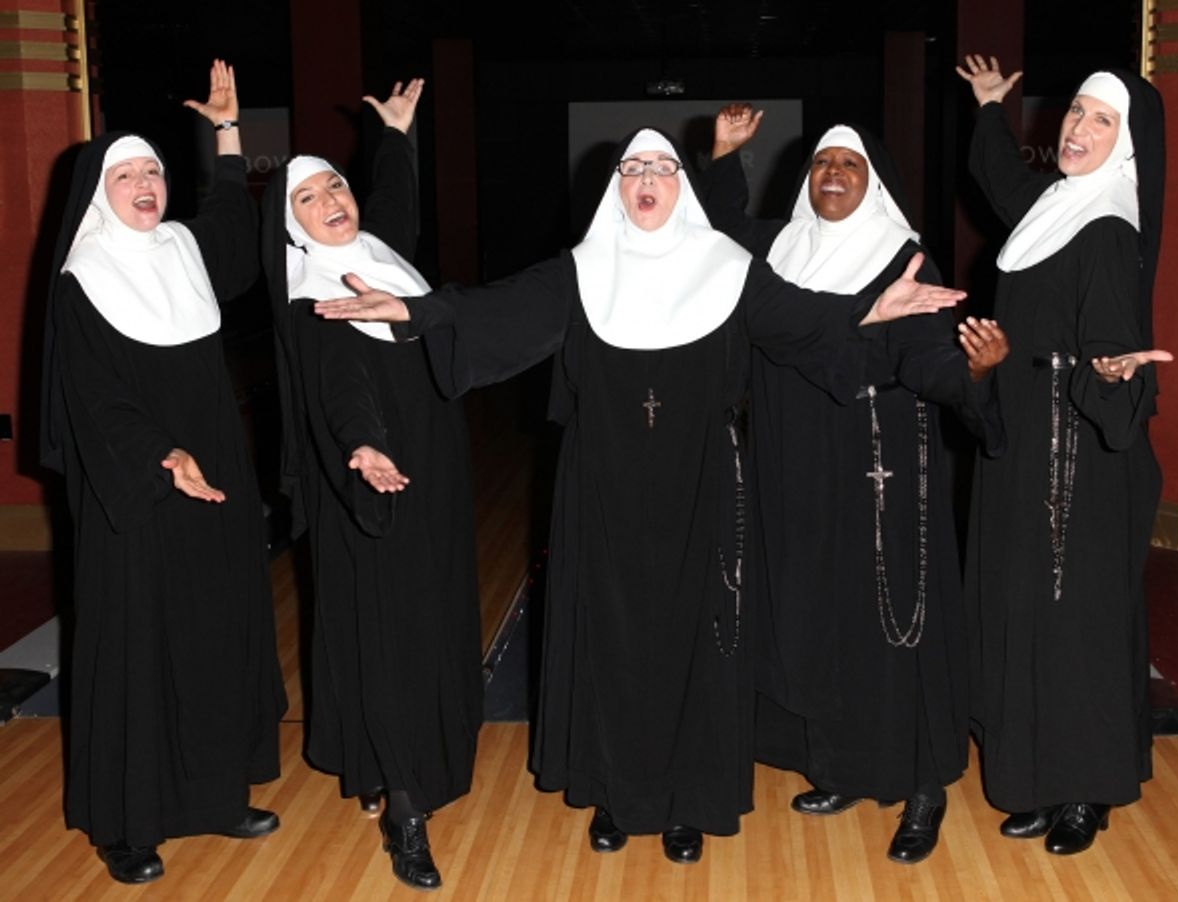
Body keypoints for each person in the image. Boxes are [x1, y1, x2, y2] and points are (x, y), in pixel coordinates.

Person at [311, 127, 965, 864]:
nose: (646, 177)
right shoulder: (582, 271)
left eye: (661, 166)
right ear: (617, 186)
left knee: (697, 642)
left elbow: (806, 321)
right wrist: (414, 311)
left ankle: (689, 801)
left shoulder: (727, 267)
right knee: (611, 639)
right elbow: (492, 311)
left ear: (681, 185)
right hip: (603, 488)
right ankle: (615, 795)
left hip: (703, 487)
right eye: (633, 168)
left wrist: (872, 309)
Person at [700, 110, 1008, 864]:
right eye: (822, 163)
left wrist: (970, 372)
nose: (833, 174)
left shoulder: (903, 258)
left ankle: (923, 786)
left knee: (893, 624)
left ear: (874, 185)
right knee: (818, 615)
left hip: (881, 471)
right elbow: (716, 237)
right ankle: (841, 766)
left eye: (850, 164)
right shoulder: (779, 248)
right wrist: (723, 159)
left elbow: (925, 355)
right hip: (795, 467)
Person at [39, 60, 285, 884]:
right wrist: (161, 454)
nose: (145, 184)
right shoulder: (84, 281)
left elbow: (233, 231)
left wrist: (226, 133)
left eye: (152, 171)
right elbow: (94, 399)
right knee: (138, 649)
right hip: (137, 493)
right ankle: (128, 824)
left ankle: (217, 795)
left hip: (213, 484)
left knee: (213, 633)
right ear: (98, 192)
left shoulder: (182, 248)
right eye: (127, 174)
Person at [262, 78, 481, 891]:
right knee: (388, 636)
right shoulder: (315, 298)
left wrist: (394, 136)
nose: (331, 202)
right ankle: (405, 808)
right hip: (369, 476)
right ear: (292, 224)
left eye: (336, 186)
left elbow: (395, 206)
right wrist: (362, 446)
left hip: (434, 467)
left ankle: (387, 757)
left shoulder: (378, 256)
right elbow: (342, 385)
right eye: (309, 198)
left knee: (428, 616)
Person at [956, 55, 1171, 855]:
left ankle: (1085, 789)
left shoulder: (1109, 228)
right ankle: (1037, 777)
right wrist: (989, 107)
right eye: (1077, 111)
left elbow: (1115, 347)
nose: (1079, 128)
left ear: (1127, 143)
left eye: (1101, 120)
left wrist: (1112, 374)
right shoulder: (1055, 202)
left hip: (1079, 456)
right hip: (1025, 438)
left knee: (1073, 618)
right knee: (1024, 607)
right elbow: (1001, 180)